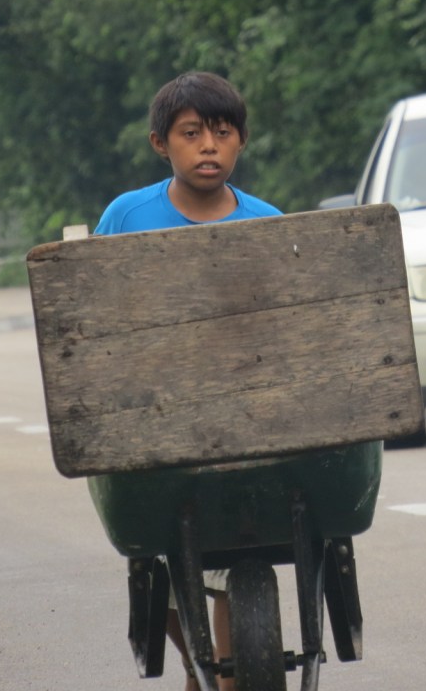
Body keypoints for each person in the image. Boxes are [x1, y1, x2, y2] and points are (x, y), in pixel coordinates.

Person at [95, 71, 281, 691]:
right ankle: (199, 662)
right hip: (159, 425)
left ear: (241, 143)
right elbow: (94, 317)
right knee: (164, 562)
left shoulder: (266, 222)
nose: (208, 146)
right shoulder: (127, 215)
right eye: (192, 133)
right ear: (160, 144)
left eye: (222, 134)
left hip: (249, 425)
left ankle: (225, 677)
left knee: (233, 551)